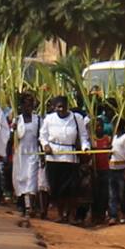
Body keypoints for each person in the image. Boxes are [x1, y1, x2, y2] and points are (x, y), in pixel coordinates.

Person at [38, 95, 91, 224]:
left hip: (70, 157)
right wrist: (46, 146)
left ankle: (68, 214)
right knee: (56, 188)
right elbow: (42, 136)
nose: (61, 110)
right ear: (54, 107)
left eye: (63, 107)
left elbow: (84, 136)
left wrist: (85, 148)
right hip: (54, 157)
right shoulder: (49, 119)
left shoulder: (76, 118)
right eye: (58, 107)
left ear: (67, 106)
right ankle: (61, 214)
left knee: (70, 187)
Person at [12, 92, 42, 217]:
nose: (28, 108)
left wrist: (42, 155)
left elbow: (41, 137)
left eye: (30, 105)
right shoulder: (17, 119)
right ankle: (23, 205)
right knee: (21, 178)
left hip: (33, 151)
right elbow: (12, 138)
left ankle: (30, 206)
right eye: (26, 105)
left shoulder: (38, 119)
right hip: (20, 153)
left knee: (31, 178)